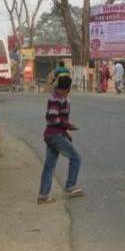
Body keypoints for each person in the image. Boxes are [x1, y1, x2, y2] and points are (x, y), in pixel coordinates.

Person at [38, 75, 84, 204]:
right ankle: (70, 186)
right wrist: (68, 126)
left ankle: (43, 195)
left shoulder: (58, 97)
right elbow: (53, 118)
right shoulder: (57, 99)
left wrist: (66, 132)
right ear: (66, 89)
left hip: (53, 134)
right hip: (55, 135)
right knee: (76, 158)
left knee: (49, 165)